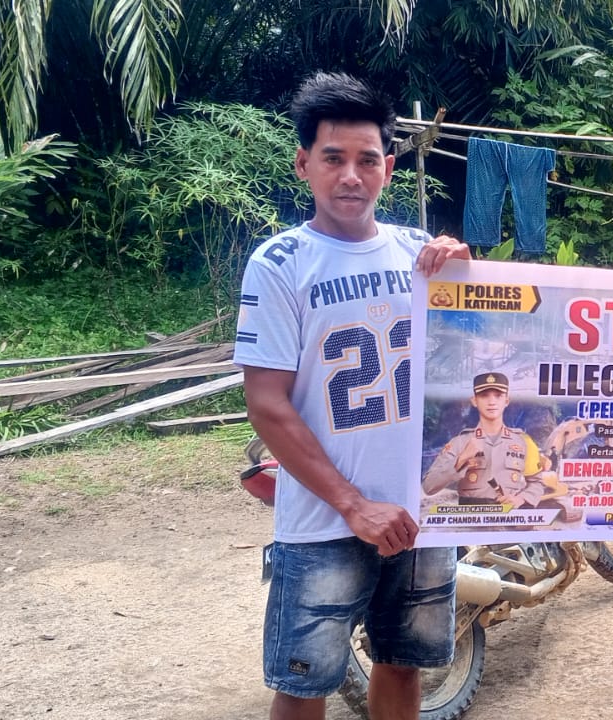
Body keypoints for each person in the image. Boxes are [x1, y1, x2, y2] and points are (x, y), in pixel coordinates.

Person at [234, 72, 470, 720]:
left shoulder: (424, 255)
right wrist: (354, 505)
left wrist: (470, 280)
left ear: (389, 168)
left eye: (367, 160)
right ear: (303, 163)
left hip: (422, 512)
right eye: (332, 158)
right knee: (305, 683)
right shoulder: (279, 264)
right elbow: (267, 403)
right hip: (323, 522)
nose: (349, 176)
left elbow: (475, 353)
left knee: (402, 665)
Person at [421, 371, 554, 509]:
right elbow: (428, 487)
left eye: (498, 396)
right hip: (470, 523)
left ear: (506, 401)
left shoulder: (523, 442)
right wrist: (462, 459)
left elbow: (537, 483)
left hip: (509, 521)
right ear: (474, 401)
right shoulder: (460, 442)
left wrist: (521, 498)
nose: (491, 402)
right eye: (484, 395)